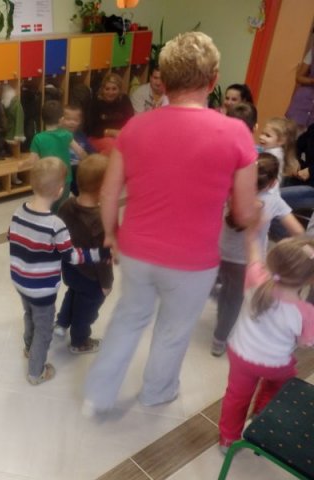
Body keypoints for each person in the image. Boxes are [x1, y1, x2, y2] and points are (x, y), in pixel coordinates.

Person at [83, 32, 258, 415]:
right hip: (194, 260)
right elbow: (244, 213)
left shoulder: (135, 127)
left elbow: (109, 193)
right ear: (213, 80)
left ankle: (97, 394)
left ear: (164, 79)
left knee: (128, 318)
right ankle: (156, 393)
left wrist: (111, 234)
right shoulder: (236, 133)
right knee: (174, 330)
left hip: (137, 250)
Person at [9, 157, 108, 385]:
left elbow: (11, 237)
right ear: (59, 190)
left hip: (20, 281)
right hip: (42, 290)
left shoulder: (18, 211)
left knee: (29, 315)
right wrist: (98, 254)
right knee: (44, 330)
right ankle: (36, 372)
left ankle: (28, 347)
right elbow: (71, 256)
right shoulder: (55, 225)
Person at [218, 236, 314, 452]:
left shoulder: (255, 278)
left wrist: (253, 233)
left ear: (271, 260)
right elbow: (305, 343)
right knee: (279, 387)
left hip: (241, 355)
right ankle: (262, 417)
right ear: (310, 279)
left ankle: (227, 439)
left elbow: (253, 251)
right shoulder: (305, 312)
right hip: (275, 364)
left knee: (236, 397)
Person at [213, 153, 304, 357]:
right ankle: (219, 341)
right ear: (272, 183)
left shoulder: (231, 190)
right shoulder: (273, 201)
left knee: (222, 290)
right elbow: (298, 231)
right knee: (233, 301)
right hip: (245, 262)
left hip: (218, 253)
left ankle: (218, 295)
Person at [54, 154, 113, 354]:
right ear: (103, 189)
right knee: (86, 310)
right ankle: (79, 342)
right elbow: (103, 258)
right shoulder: (100, 220)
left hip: (70, 269)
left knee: (73, 293)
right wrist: (106, 283)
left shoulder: (66, 205)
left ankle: (62, 323)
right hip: (91, 277)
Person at [26, 100, 86, 213]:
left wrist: (20, 164)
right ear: (61, 120)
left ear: (43, 119)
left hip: (46, 179)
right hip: (65, 178)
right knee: (61, 207)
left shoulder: (38, 138)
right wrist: (88, 161)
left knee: (47, 206)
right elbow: (80, 152)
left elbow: (32, 161)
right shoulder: (66, 135)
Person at [86, 73, 134, 154]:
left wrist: (122, 133)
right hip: (98, 137)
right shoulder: (95, 102)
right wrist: (111, 132)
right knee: (113, 146)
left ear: (119, 89)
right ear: (102, 89)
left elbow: (131, 122)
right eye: (107, 89)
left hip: (121, 136)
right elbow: (91, 129)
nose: (110, 92)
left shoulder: (124, 100)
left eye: (114, 89)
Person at [59, 103, 96, 196]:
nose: (72, 122)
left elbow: (91, 153)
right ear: (61, 119)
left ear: (80, 121)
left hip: (78, 170)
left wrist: (86, 160)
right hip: (63, 169)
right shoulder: (58, 135)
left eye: (75, 120)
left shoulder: (81, 136)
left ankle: (82, 196)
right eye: (68, 119)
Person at [258, 117, 299, 185]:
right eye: (262, 133)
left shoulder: (274, 155)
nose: (261, 137)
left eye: (267, 136)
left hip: (268, 186)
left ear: (281, 141)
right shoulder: (272, 149)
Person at [285, 44, 314, 129]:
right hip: (302, 103)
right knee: (290, 132)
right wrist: (312, 81)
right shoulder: (312, 52)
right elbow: (299, 77)